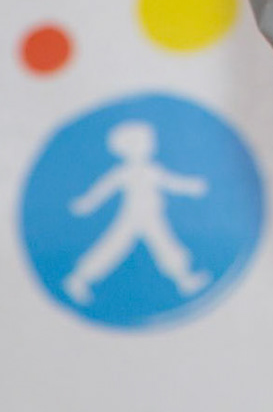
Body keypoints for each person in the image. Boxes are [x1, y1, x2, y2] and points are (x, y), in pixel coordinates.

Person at [62, 119, 210, 305]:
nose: (150, 144)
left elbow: (171, 182)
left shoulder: (151, 169)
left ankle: (184, 280)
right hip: (134, 215)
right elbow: (104, 189)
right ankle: (78, 278)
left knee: (165, 245)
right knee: (113, 246)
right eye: (145, 141)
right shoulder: (124, 172)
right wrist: (86, 203)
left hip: (151, 215)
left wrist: (191, 186)